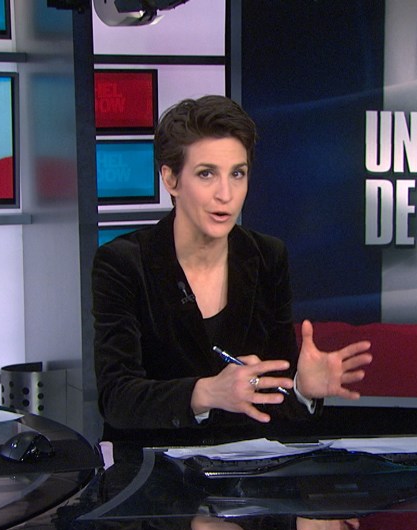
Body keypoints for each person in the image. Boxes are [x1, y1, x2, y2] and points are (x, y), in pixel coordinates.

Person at [92, 95, 371, 441]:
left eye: (237, 174)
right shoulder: (123, 263)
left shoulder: (267, 256)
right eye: (206, 174)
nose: (226, 194)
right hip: (153, 462)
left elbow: (273, 395)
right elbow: (117, 398)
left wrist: (301, 388)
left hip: (246, 464)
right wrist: (205, 393)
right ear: (171, 179)